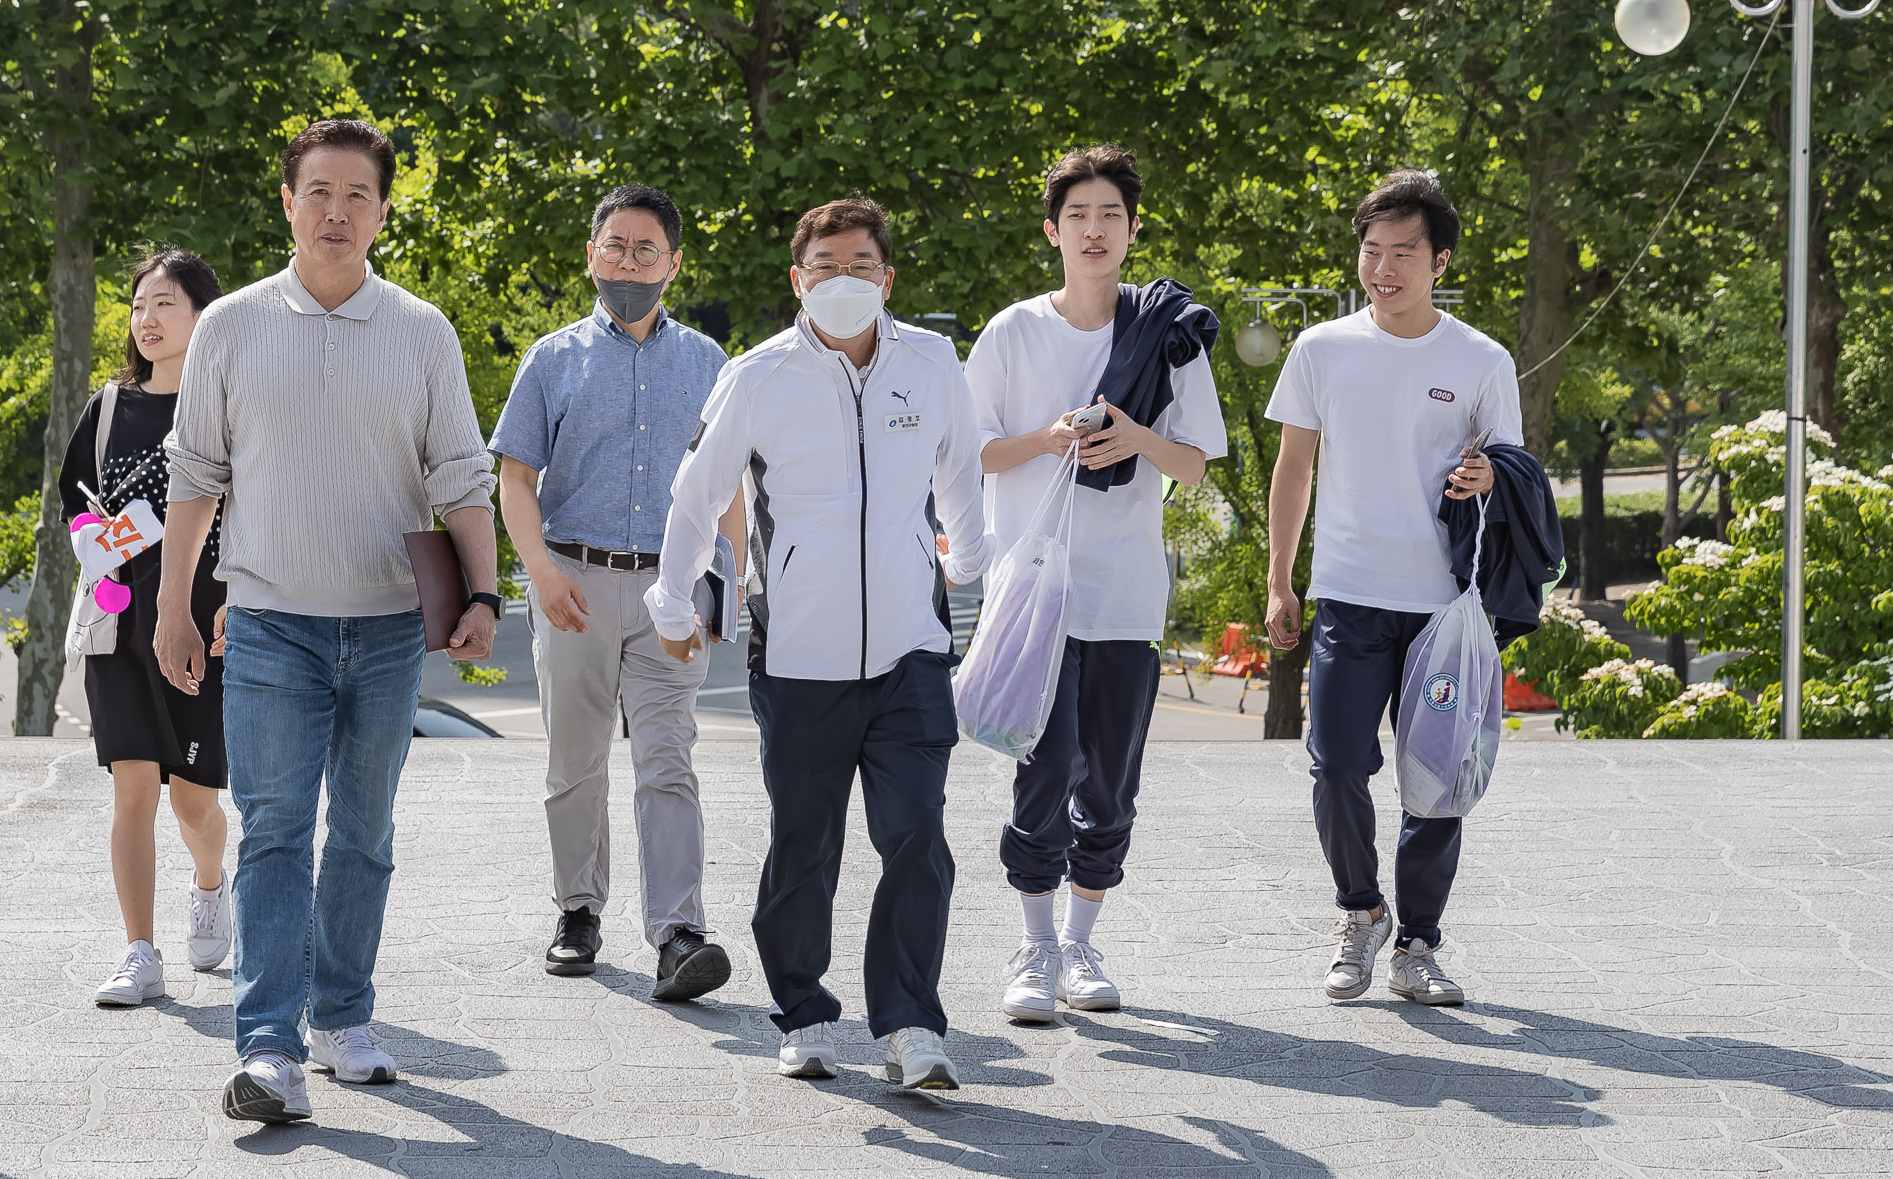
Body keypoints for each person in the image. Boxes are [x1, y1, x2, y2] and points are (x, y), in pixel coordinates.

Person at [155, 118, 501, 1126]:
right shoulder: (230, 326)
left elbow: (459, 476)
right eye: (319, 192)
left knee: (363, 833)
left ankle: (345, 1017)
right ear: (287, 202)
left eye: (358, 195)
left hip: (389, 625)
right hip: (267, 624)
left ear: (384, 211)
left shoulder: (421, 330)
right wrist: (176, 605)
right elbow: (195, 474)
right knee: (270, 832)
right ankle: (268, 1048)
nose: (337, 212)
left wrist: (480, 594)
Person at [645, 197, 988, 1091]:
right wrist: (672, 599)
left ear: (889, 278)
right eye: (826, 266)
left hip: (913, 649)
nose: (845, 280)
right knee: (806, 843)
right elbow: (696, 494)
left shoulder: (931, 362)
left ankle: (910, 1022)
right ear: (798, 280)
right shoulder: (760, 377)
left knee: (918, 835)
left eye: (862, 264)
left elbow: (960, 460)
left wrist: (971, 545)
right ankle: (801, 1008)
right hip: (797, 657)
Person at [964, 146, 1226, 1023]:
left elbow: (1193, 466)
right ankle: (1035, 947)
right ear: (1053, 230)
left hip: (1124, 593)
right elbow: (971, 452)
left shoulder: (1168, 333)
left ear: (1132, 228)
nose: (1094, 229)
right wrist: (1049, 437)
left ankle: (1081, 942)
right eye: (1078, 214)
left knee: (1110, 780)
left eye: (1110, 214)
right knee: (1040, 773)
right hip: (1034, 598)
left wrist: (1131, 433)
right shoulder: (1012, 331)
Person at [1263, 169, 1520, 1007]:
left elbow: (1512, 475)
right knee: (1337, 764)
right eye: (1372, 250)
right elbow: (1293, 467)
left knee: (1436, 780)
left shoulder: (1481, 359)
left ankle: (1417, 942)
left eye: (1404, 252)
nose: (1384, 267)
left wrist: (1489, 475)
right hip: (1346, 592)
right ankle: (1361, 909)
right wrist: (1280, 580)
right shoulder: (1321, 349)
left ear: (1439, 260)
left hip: (1444, 606)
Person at [490, 184, 744, 1001]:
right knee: (575, 761)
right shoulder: (551, 358)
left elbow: (728, 487)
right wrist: (542, 570)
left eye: (645, 250)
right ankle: (577, 911)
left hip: (672, 587)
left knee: (668, 758)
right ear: (591, 253)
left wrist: (724, 588)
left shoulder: (710, 363)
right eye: (614, 246)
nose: (627, 261)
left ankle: (678, 931)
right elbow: (515, 479)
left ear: (673, 263)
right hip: (575, 583)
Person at [57, 249, 237, 1008]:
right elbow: (73, 494)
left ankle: (209, 884)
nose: (148, 318)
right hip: (119, 622)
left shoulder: (228, 406)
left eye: (165, 303)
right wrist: (95, 537)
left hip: (206, 621)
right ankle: (139, 949)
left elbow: (255, 511)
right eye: (138, 306)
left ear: (205, 315)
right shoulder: (107, 405)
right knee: (132, 785)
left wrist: (232, 598)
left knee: (193, 801)